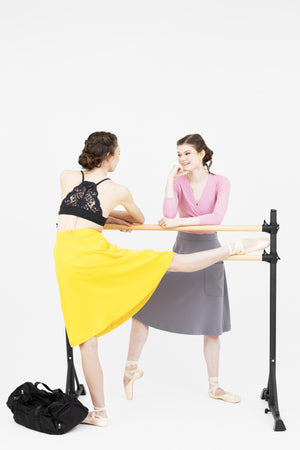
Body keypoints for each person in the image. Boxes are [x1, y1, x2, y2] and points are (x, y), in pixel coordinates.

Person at [54, 131, 269, 427]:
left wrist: (106, 217)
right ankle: (233, 247)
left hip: (65, 257)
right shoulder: (118, 189)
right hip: (93, 253)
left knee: (85, 339)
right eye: (118, 154)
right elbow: (139, 219)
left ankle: (101, 412)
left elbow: (72, 209)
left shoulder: (67, 176)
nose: (119, 158)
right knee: (167, 263)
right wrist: (113, 216)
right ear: (108, 157)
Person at [125, 134, 249, 404]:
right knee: (144, 308)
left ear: (202, 153)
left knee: (212, 324)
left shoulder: (221, 182)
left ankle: (215, 386)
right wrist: (169, 180)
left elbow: (216, 219)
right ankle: (130, 369)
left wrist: (181, 221)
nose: (182, 158)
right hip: (182, 251)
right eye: (179, 154)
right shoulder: (179, 182)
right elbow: (168, 215)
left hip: (210, 252)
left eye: (188, 153)